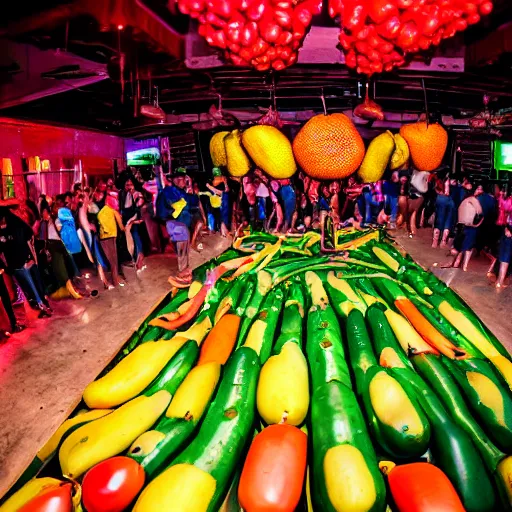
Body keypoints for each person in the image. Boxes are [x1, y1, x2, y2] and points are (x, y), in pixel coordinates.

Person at [0, 207, 52, 317]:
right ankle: (42, 306)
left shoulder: (14, 225)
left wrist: (32, 258)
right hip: (18, 263)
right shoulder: (13, 225)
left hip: (22, 262)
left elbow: (29, 239)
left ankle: (43, 307)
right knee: (30, 287)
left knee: (32, 287)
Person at [34, 206, 82, 299]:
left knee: (61, 269)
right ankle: (66, 290)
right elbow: (44, 236)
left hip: (57, 246)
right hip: (52, 246)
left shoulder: (55, 220)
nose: (42, 214)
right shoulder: (45, 223)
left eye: (43, 212)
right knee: (57, 269)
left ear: (47, 212)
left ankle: (73, 292)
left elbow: (60, 231)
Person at [156, 167, 193, 282]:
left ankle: (185, 269)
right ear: (176, 179)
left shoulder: (182, 191)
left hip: (182, 224)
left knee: (184, 244)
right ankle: (182, 271)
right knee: (182, 241)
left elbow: (192, 204)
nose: (185, 181)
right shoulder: (169, 191)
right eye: (183, 179)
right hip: (174, 223)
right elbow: (174, 208)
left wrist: (189, 189)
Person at [444, 187, 484, 271]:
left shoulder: (464, 200)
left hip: (460, 226)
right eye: (478, 189)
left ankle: (454, 263)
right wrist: (478, 224)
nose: (480, 191)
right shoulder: (473, 200)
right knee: (467, 248)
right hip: (468, 226)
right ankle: (464, 266)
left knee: (459, 247)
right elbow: (480, 212)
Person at [97, 194, 125, 288]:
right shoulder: (112, 210)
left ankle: (112, 280)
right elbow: (120, 225)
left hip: (103, 237)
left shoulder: (101, 212)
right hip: (109, 237)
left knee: (109, 260)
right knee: (113, 261)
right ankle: (115, 281)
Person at [119, 178, 145, 270]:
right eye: (127, 184)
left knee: (136, 237)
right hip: (125, 219)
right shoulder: (122, 194)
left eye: (131, 184)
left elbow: (139, 207)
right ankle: (132, 259)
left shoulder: (137, 194)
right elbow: (121, 207)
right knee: (128, 240)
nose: (129, 186)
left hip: (134, 219)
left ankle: (139, 259)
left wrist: (134, 195)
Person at [432, 174, 455, 248]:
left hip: (442, 198)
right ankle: (443, 241)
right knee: (448, 220)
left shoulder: (438, 181)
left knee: (439, 219)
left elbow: (435, 189)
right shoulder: (450, 181)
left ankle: (435, 242)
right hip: (449, 199)